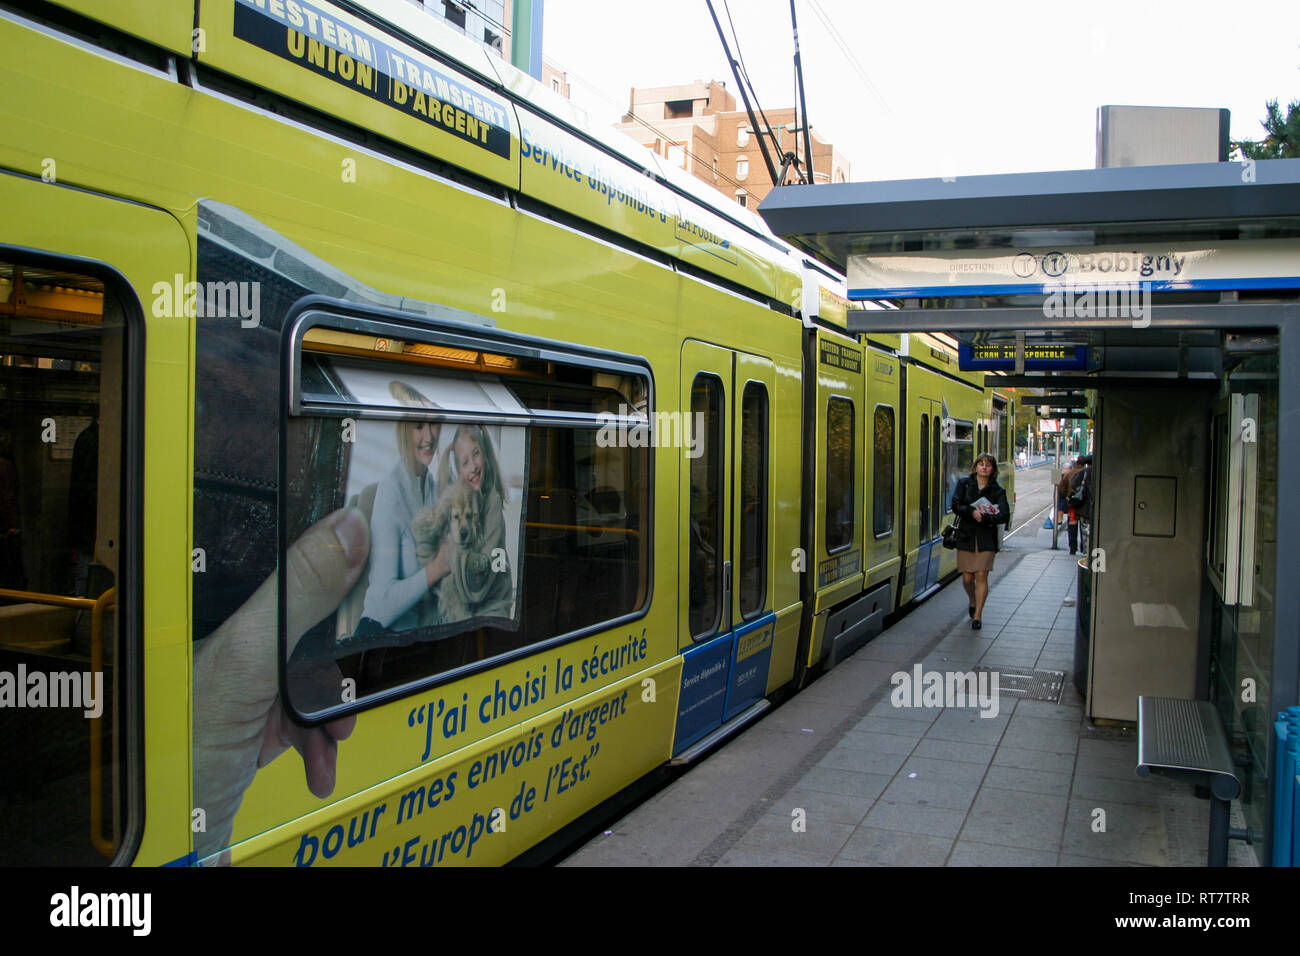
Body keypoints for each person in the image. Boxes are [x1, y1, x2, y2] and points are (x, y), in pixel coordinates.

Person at [358, 382, 453, 633]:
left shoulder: (432, 487)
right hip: (384, 642)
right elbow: (380, 606)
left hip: (423, 638)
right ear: (403, 430)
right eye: (419, 426)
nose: (429, 437)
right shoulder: (391, 491)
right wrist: (436, 569)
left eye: (434, 424)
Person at [437, 422, 512, 622]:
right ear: (457, 470)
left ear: (485, 454)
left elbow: (484, 578)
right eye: (464, 462)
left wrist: (453, 557)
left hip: (493, 604)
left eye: (476, 453)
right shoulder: (456, 500)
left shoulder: (493, 499)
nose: (473, 466)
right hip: (465, 603)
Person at [952, 453, 1010, 630]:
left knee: (981, 575)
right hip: (966, 536)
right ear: (976, 466)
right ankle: (972, 599)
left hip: (986, 538)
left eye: (988, 465)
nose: (984, 467)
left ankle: (978, 616)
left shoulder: (997, 490)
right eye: (981, 464)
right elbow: (956, 505)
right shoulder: (964, 483)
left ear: (993, 469)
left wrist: (985, 517)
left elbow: (1004, 515)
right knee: (967, 578)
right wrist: (971, 512)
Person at [1057, 460, 1078, 555]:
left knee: (1072, 525)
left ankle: (1073, 548)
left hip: (1072, 503)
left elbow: (1060, 488)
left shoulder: (1069, 475)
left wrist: (1066, 496)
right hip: (1084, 505)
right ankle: (1084, 548)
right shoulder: (1086, 472)